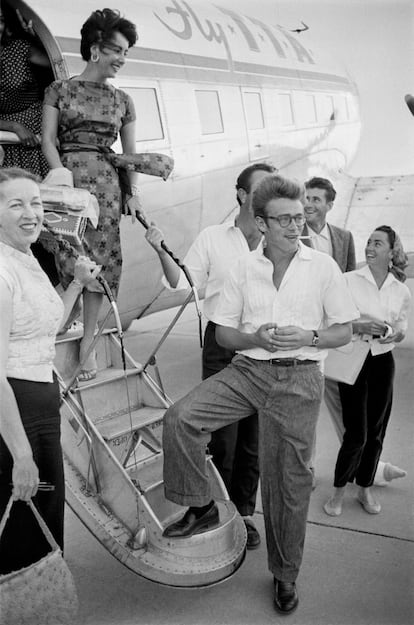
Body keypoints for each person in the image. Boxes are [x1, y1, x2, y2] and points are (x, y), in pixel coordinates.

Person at [160, 174, 359, 614]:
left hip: (301, 378)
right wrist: (258, 336)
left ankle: (285, 575)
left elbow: (343, 330)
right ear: (261, 222)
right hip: (249, 369)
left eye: (299, 217)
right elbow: (224, 334)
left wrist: (308, 334)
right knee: (181, 418)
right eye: (284, 219)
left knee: (287, 484)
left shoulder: (323, 267)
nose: (295, 226)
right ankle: (202, 505)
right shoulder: (242, 269)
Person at [145, 163, 275, 549]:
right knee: (222, 437)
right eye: (263, 188)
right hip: (223, 342)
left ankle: (245, 514)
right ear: (241, 194)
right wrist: (158, 248)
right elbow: (180, 280)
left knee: (254, 440)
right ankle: (214, 509)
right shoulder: (214, 238)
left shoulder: (279, 242)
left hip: (264, 345)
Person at [0, 167, 100, 574]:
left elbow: (43, 327)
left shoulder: (26, 257)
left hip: (39, 402)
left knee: (42, 512)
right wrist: (21, 453)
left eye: (36, 203)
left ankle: (39, 603)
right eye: (16, 204)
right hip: (15, 408)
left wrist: (76, 283)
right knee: (21, 521)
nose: (31, 213)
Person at [42, 8, 140, 381]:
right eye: (117, 50)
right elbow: (49, 141)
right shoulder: (59, 90)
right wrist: (60, 176)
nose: (122, 59)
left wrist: (135, 194)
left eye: (126, 52)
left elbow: (129, 156)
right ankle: (55, 325)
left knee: (102, 260)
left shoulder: (124, 100)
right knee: (69, 254)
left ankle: (88, 341)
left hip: (107, 185)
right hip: (67, 182)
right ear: (95, 49)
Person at [303, 176, 406, 486]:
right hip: (305, 332)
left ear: (329, 205)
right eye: (306, 198)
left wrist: (359, 326)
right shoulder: (293, 234)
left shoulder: (343, 237)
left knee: (349, 417)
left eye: (316, 199)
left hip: (339, 341)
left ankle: (368, 470)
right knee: (306, 413)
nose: (308, 204)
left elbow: (348, 287)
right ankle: (305, 470)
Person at [324, 225, 411, 517]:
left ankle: (365, 487)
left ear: (391, 251)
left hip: (383, 361)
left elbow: (401, 329)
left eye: (377, 243)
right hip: (355, 359)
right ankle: (337, 491)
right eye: (369, 242)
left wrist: (390, 333)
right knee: (356, 433)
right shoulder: (348, 280)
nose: (370, 247)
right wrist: (361, 325)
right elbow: (333, 321)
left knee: (376, 431)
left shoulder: (400, 290)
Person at [0, 1, 59, 281]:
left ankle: (58, 282)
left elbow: (58, 65)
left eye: (0, 20)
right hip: (10, 136)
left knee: (44, 214)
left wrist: (32, 32)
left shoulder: (19, 49)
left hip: (34, 135)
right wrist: (10, 125)